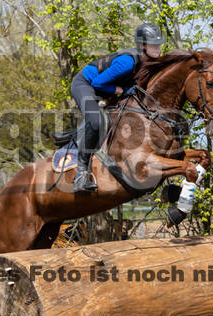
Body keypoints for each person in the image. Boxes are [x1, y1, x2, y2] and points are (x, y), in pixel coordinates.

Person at [70, 23, 166, 193]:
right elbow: (97, 83)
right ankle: (80, 174)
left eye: (159, 44)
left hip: (105, 86)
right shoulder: (127, 63)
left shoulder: (149, 61)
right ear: (142, 46)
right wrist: (120, 90)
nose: (158, 48)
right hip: (85, 84)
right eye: (153, 44)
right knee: (96, 122)